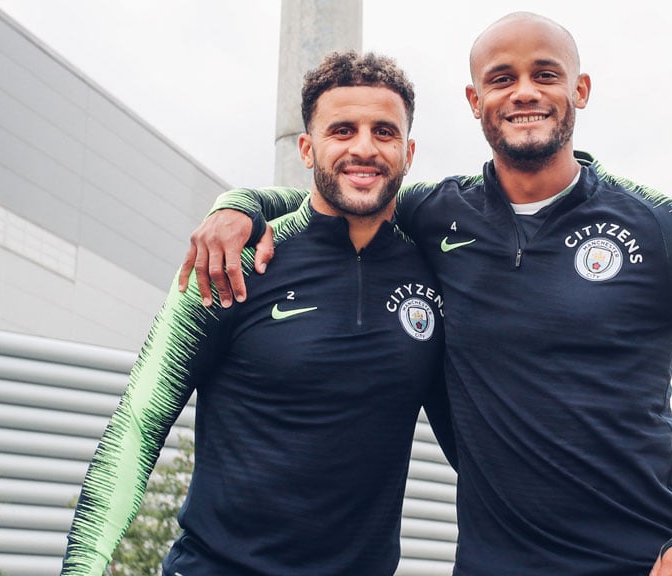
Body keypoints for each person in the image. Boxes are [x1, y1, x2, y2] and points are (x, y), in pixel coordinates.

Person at [182, 12, 672, 576]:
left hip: (642, 560)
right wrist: (241, 204)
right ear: (474, 100)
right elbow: (334, 198)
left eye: (545, 74)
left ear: (579, 88)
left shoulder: (661, 227)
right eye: (502, 78)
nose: (524, 91)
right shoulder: (437, 216)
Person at [61, 51, 456, 576]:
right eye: (342, 130)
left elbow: (478, 445)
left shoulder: (432, 277)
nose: (364, 147)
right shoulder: (232, 264)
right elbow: (138, 423)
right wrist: (82, 567)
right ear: (307, 148)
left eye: (383, 132)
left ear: (407, 151)